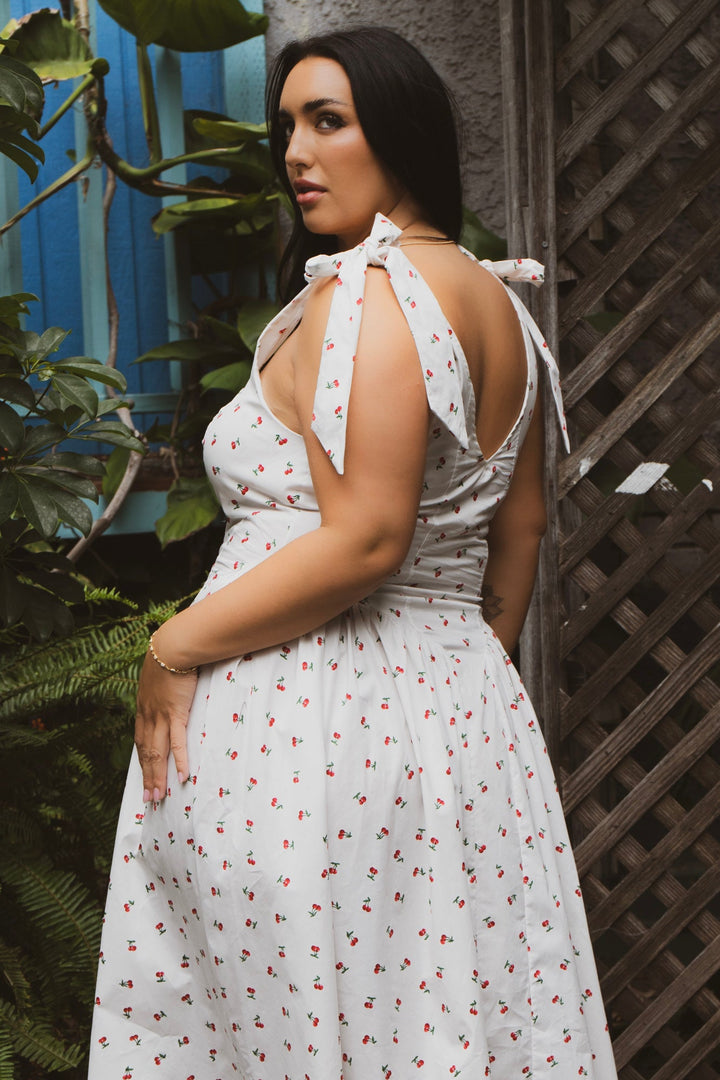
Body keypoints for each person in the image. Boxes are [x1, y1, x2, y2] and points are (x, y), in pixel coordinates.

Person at [89, 26, 618, 1080]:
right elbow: (519, 531)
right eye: (287, 125)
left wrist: (172, 647)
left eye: (328, 121)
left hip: (308, 736)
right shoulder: (497, 302)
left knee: (306, 1032)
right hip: (462, 720)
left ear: (401, 133)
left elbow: (368, 538)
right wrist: (447, 694)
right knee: (438, 1020)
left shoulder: (372, 292)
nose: (296, 151)